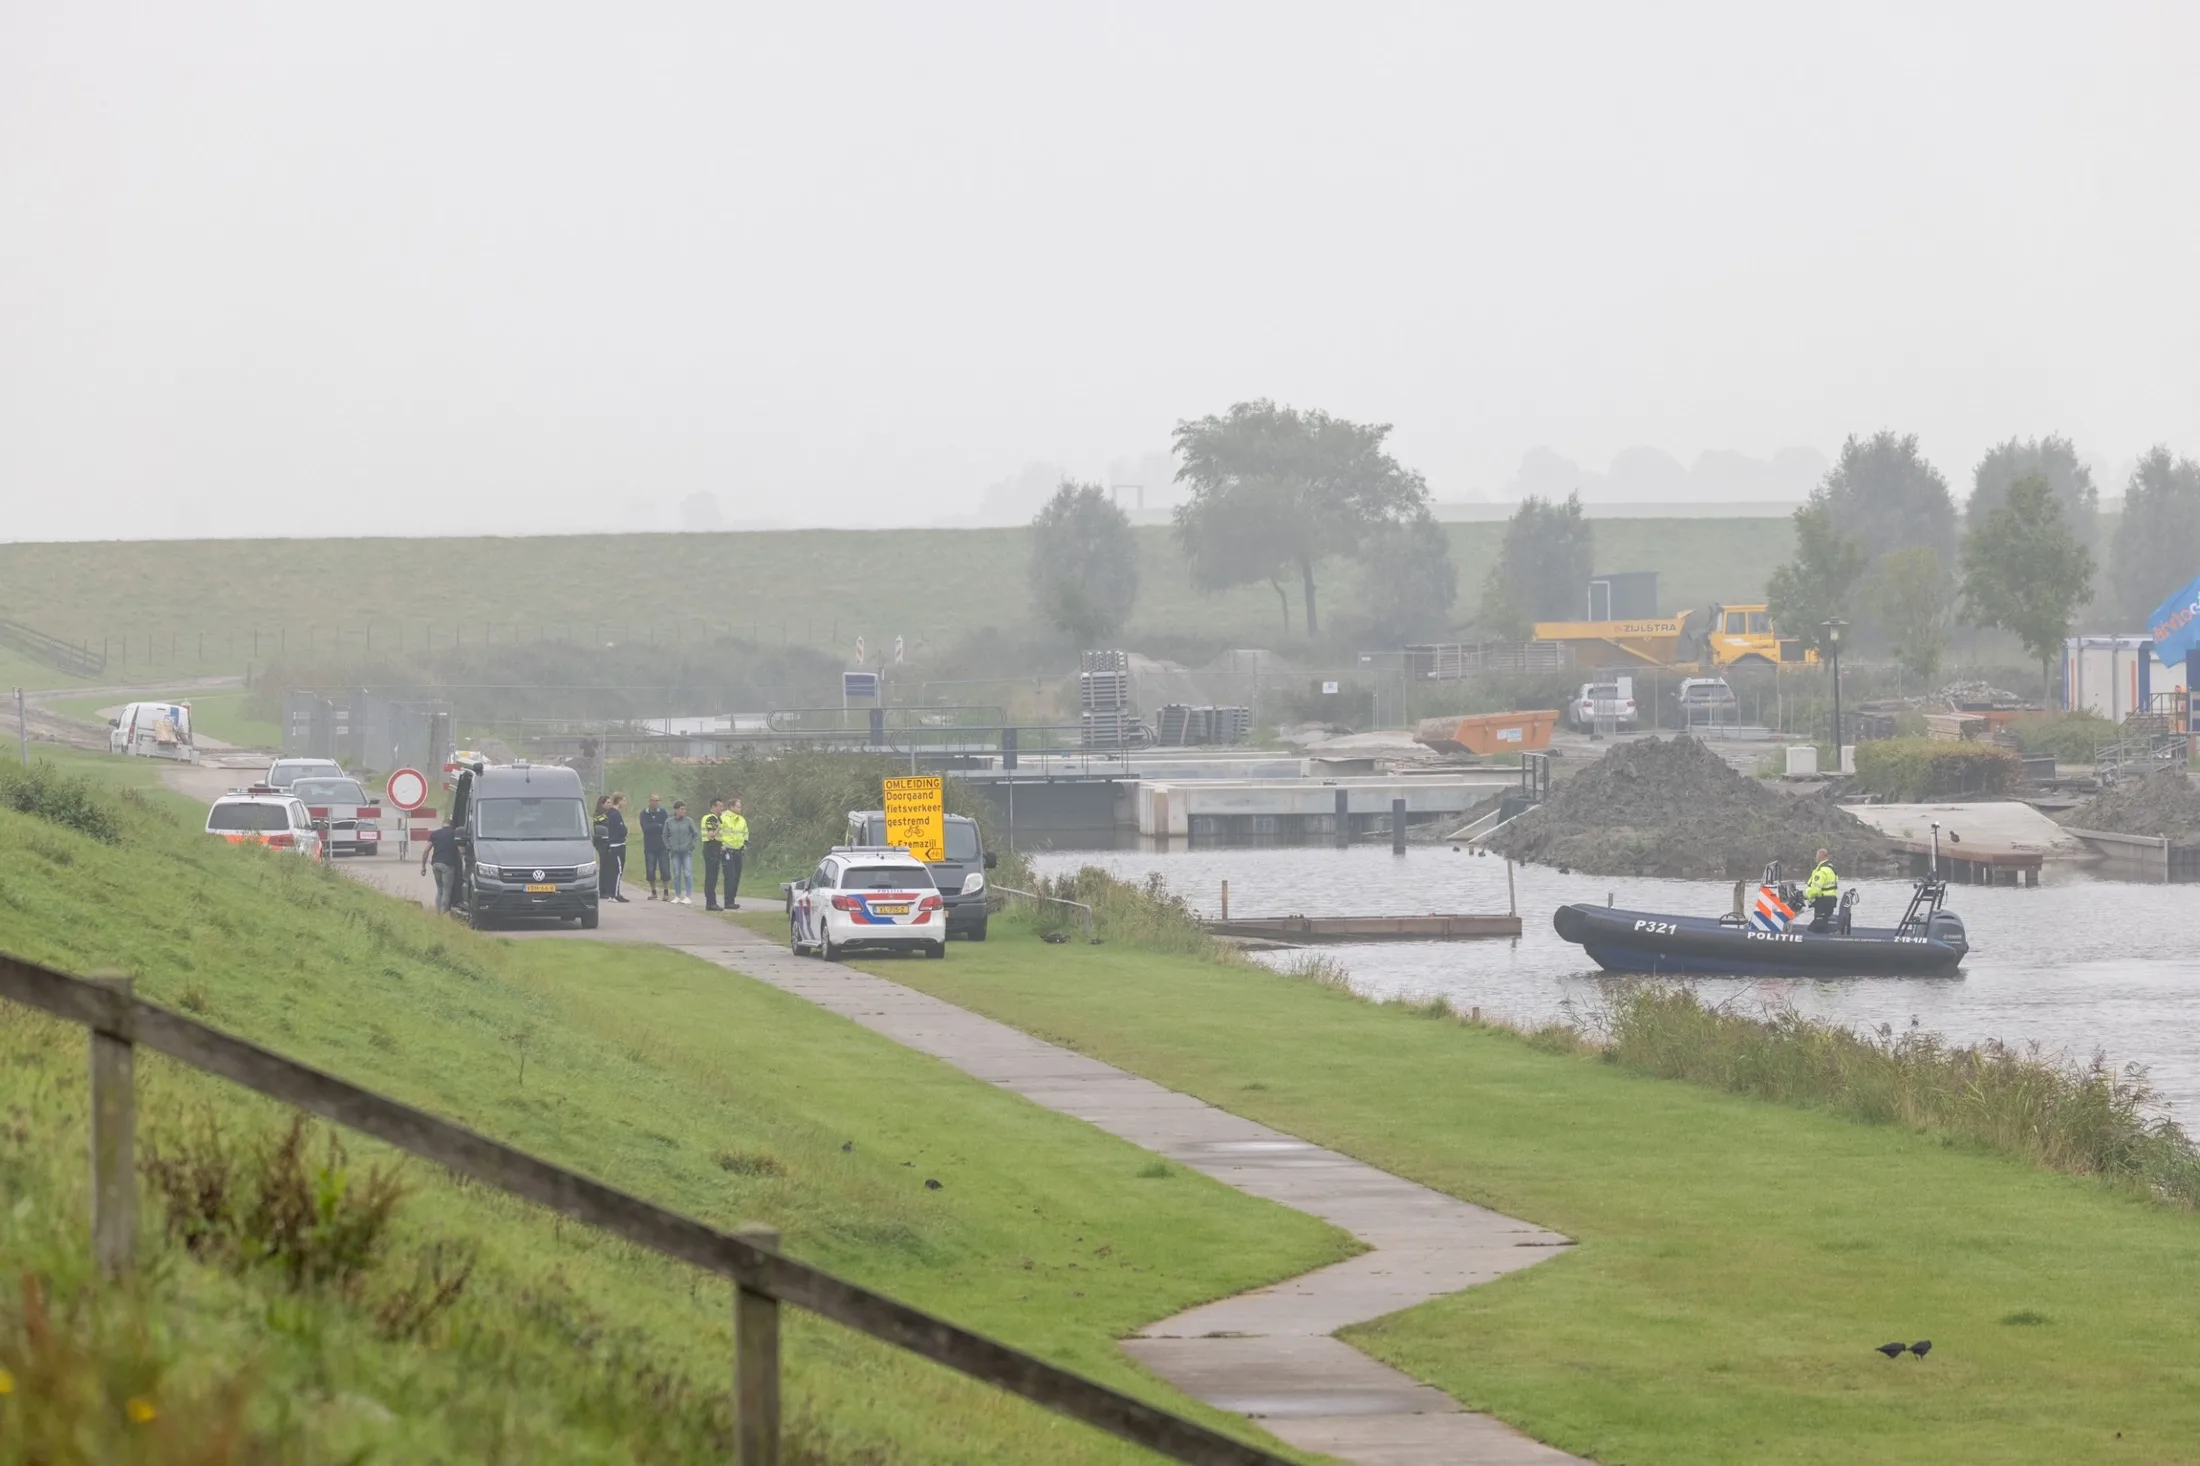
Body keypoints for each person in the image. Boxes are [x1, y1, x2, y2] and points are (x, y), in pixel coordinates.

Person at [421, 814, 462, 915]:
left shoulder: (435, 834)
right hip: (448, 865)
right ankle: (443, 913)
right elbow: (461, 850)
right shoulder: (454, 834)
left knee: (439, 889)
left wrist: (423, 867)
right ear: (451, 825)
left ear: (442, 824)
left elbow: (426, 851)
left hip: (436, 864)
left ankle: (438, 914)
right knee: (446, 890)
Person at [663, 800, 699, 904]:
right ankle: (677, 895)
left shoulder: (689, 821)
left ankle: (688, 896)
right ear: (676, 810)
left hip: (686, 851)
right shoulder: (669, 822)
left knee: (687, 873)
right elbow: (665, 835)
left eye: (684, 809)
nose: (683, 811)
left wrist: (691, 846)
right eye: (681, 809)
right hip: (675, 852)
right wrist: (669, 847)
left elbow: (695, 834)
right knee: (677, 874)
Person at [599, 793, 631, 903]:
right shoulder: (615, 814)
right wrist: (625, 831)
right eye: (624, 800)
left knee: (613, 871)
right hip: (617, 845)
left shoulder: (610, 813)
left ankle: (612, 893)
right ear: (619, 801)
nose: (625, 803)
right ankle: (615, 894)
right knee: (618, 870)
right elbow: (622, 830)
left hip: (613, 845)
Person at [720, 797, 751, 910]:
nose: (740, 808)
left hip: (738, 851)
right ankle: (728, 901)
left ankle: (732, 900)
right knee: (730, 876)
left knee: (737, 876)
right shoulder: (723, 818)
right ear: (731, 807)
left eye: (740, 806)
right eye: (738, 806)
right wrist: (721, 845)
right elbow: (719, 833)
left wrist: (744, 845)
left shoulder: (742, 820)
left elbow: (745, 833)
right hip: (727, 851)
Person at [639, 793, 671, 900]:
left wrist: (654, 827)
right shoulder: (644, 813)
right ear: (650, 801)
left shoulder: (663, 813)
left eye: (658, 801)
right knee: (650, 869)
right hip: (649, 846)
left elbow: (665, 827)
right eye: (654, 800)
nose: (656, 803)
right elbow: (645, 828)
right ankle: (653, 892)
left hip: (662, 845)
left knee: (665, 869)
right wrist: (658, 825)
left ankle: (666, 892)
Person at [700, 798, 727, 911]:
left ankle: (712, 901)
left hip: (716, 847)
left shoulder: (717, 818)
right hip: (710, 847)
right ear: (713, 807)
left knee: (714, 876)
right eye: (720, 806)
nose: (722, 808)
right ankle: (710, 903)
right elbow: (711, 835)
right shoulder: (710, 818)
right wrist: (719, 827)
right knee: (711, 876)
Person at [1805, 847, 1839, 932]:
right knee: (1824, 924)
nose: (1816, 857)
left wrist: (1804, 894)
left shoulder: (1822, 870)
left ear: (1821, 856)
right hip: (1830, 900)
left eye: (1817, 855)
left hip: (1822, 901)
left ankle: (1813, 936)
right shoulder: (1831, 868)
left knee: (1816, 927)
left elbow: (1815, 890)